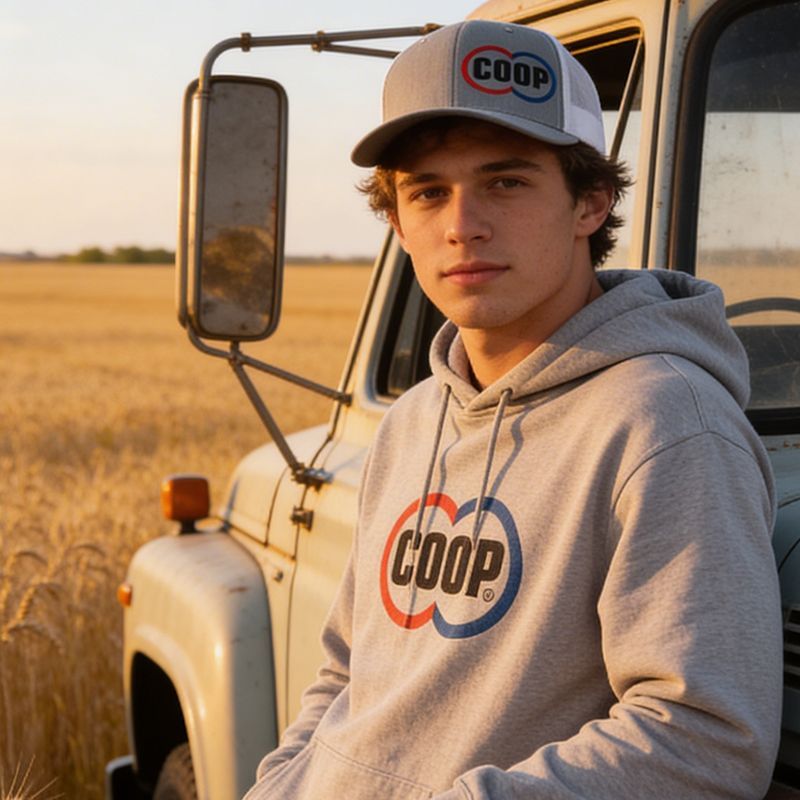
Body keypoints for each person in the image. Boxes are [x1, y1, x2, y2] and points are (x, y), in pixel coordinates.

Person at [243, 20, 782, 800]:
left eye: (507, 181)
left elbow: (703, 738)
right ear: (396, 221)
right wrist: (281, 784)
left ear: (591, 202)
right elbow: (343, 672)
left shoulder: (666, 423)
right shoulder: (414, 418)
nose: (463, 225)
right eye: (429, 192)